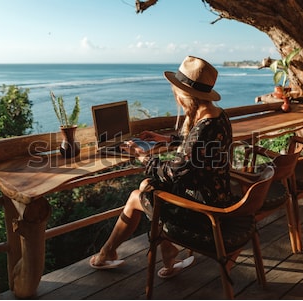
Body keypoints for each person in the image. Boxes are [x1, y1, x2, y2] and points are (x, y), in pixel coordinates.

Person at [89, 56, 233, 278]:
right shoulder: (218, 116)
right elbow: (197, 148)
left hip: (205, 212)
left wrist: (142, 156)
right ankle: (165, 255)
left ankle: (109, 253)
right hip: (219, 196)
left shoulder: (203, 128)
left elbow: (173, 173)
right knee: (148, 185)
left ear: (184, 96)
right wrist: (165, 139)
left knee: (139, 195)